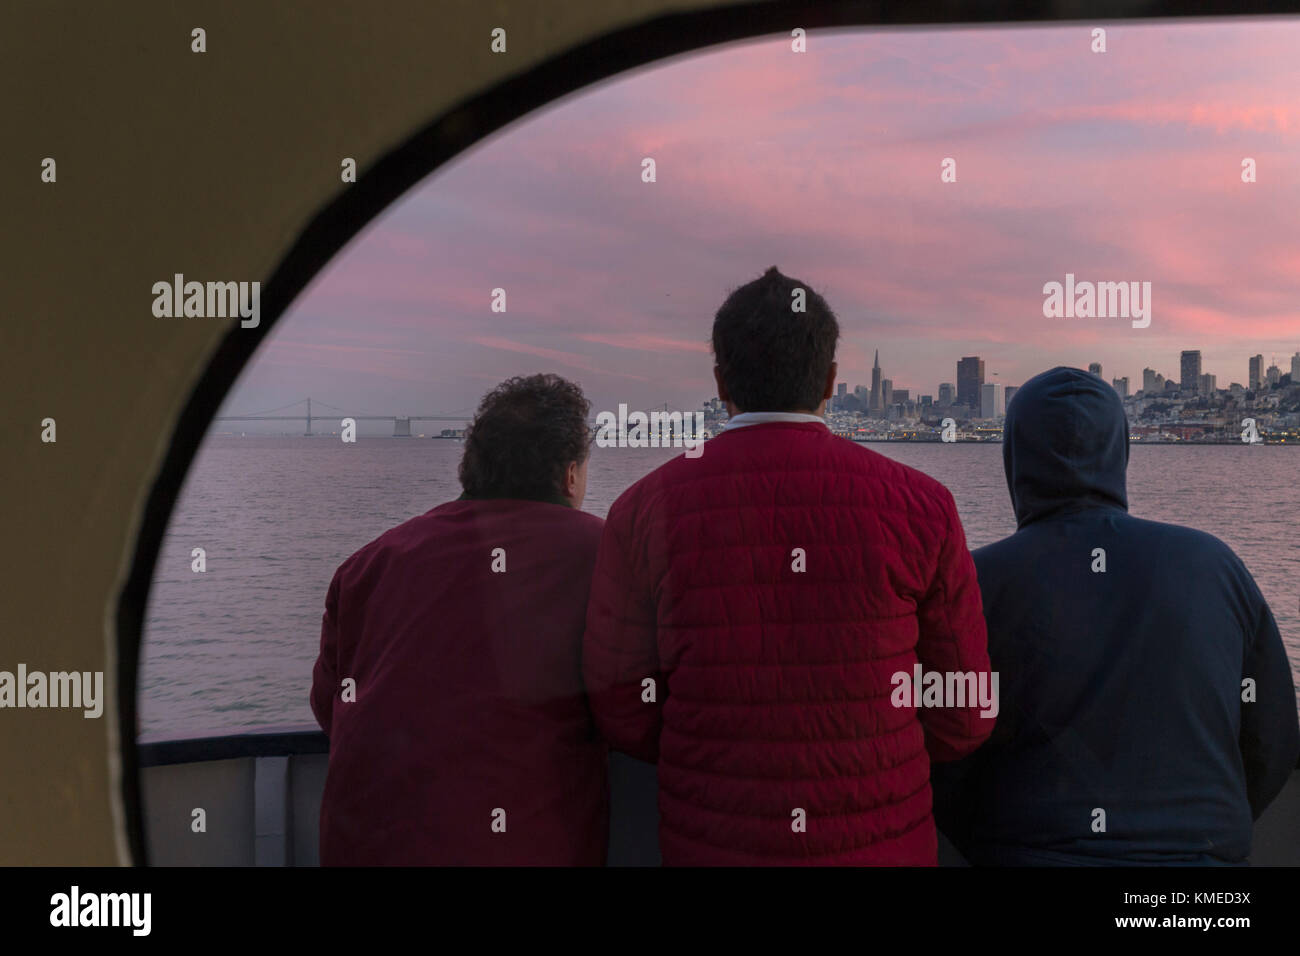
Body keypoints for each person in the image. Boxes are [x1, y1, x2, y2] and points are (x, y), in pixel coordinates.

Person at [582, 266, 995, 865]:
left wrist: (702, 750)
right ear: (830, 381)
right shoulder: (923, 506)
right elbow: (966, 713)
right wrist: (884, 750)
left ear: (721, 381)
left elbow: (622, 706)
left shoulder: (640, 510)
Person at [932, 366, 1300, 865]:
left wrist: (990, 842)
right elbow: (1272, 736)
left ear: (1013, 459)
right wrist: (1211, 832)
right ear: (1121, 452)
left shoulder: (976, 583)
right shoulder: (1213, 565)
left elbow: (943, 746)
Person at [311, 374, 608, 865]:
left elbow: (329, 706)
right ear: (571, 476)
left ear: (470, 467)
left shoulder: (368, 564)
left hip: (359, 843)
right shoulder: (601, 553)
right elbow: (631, 706)